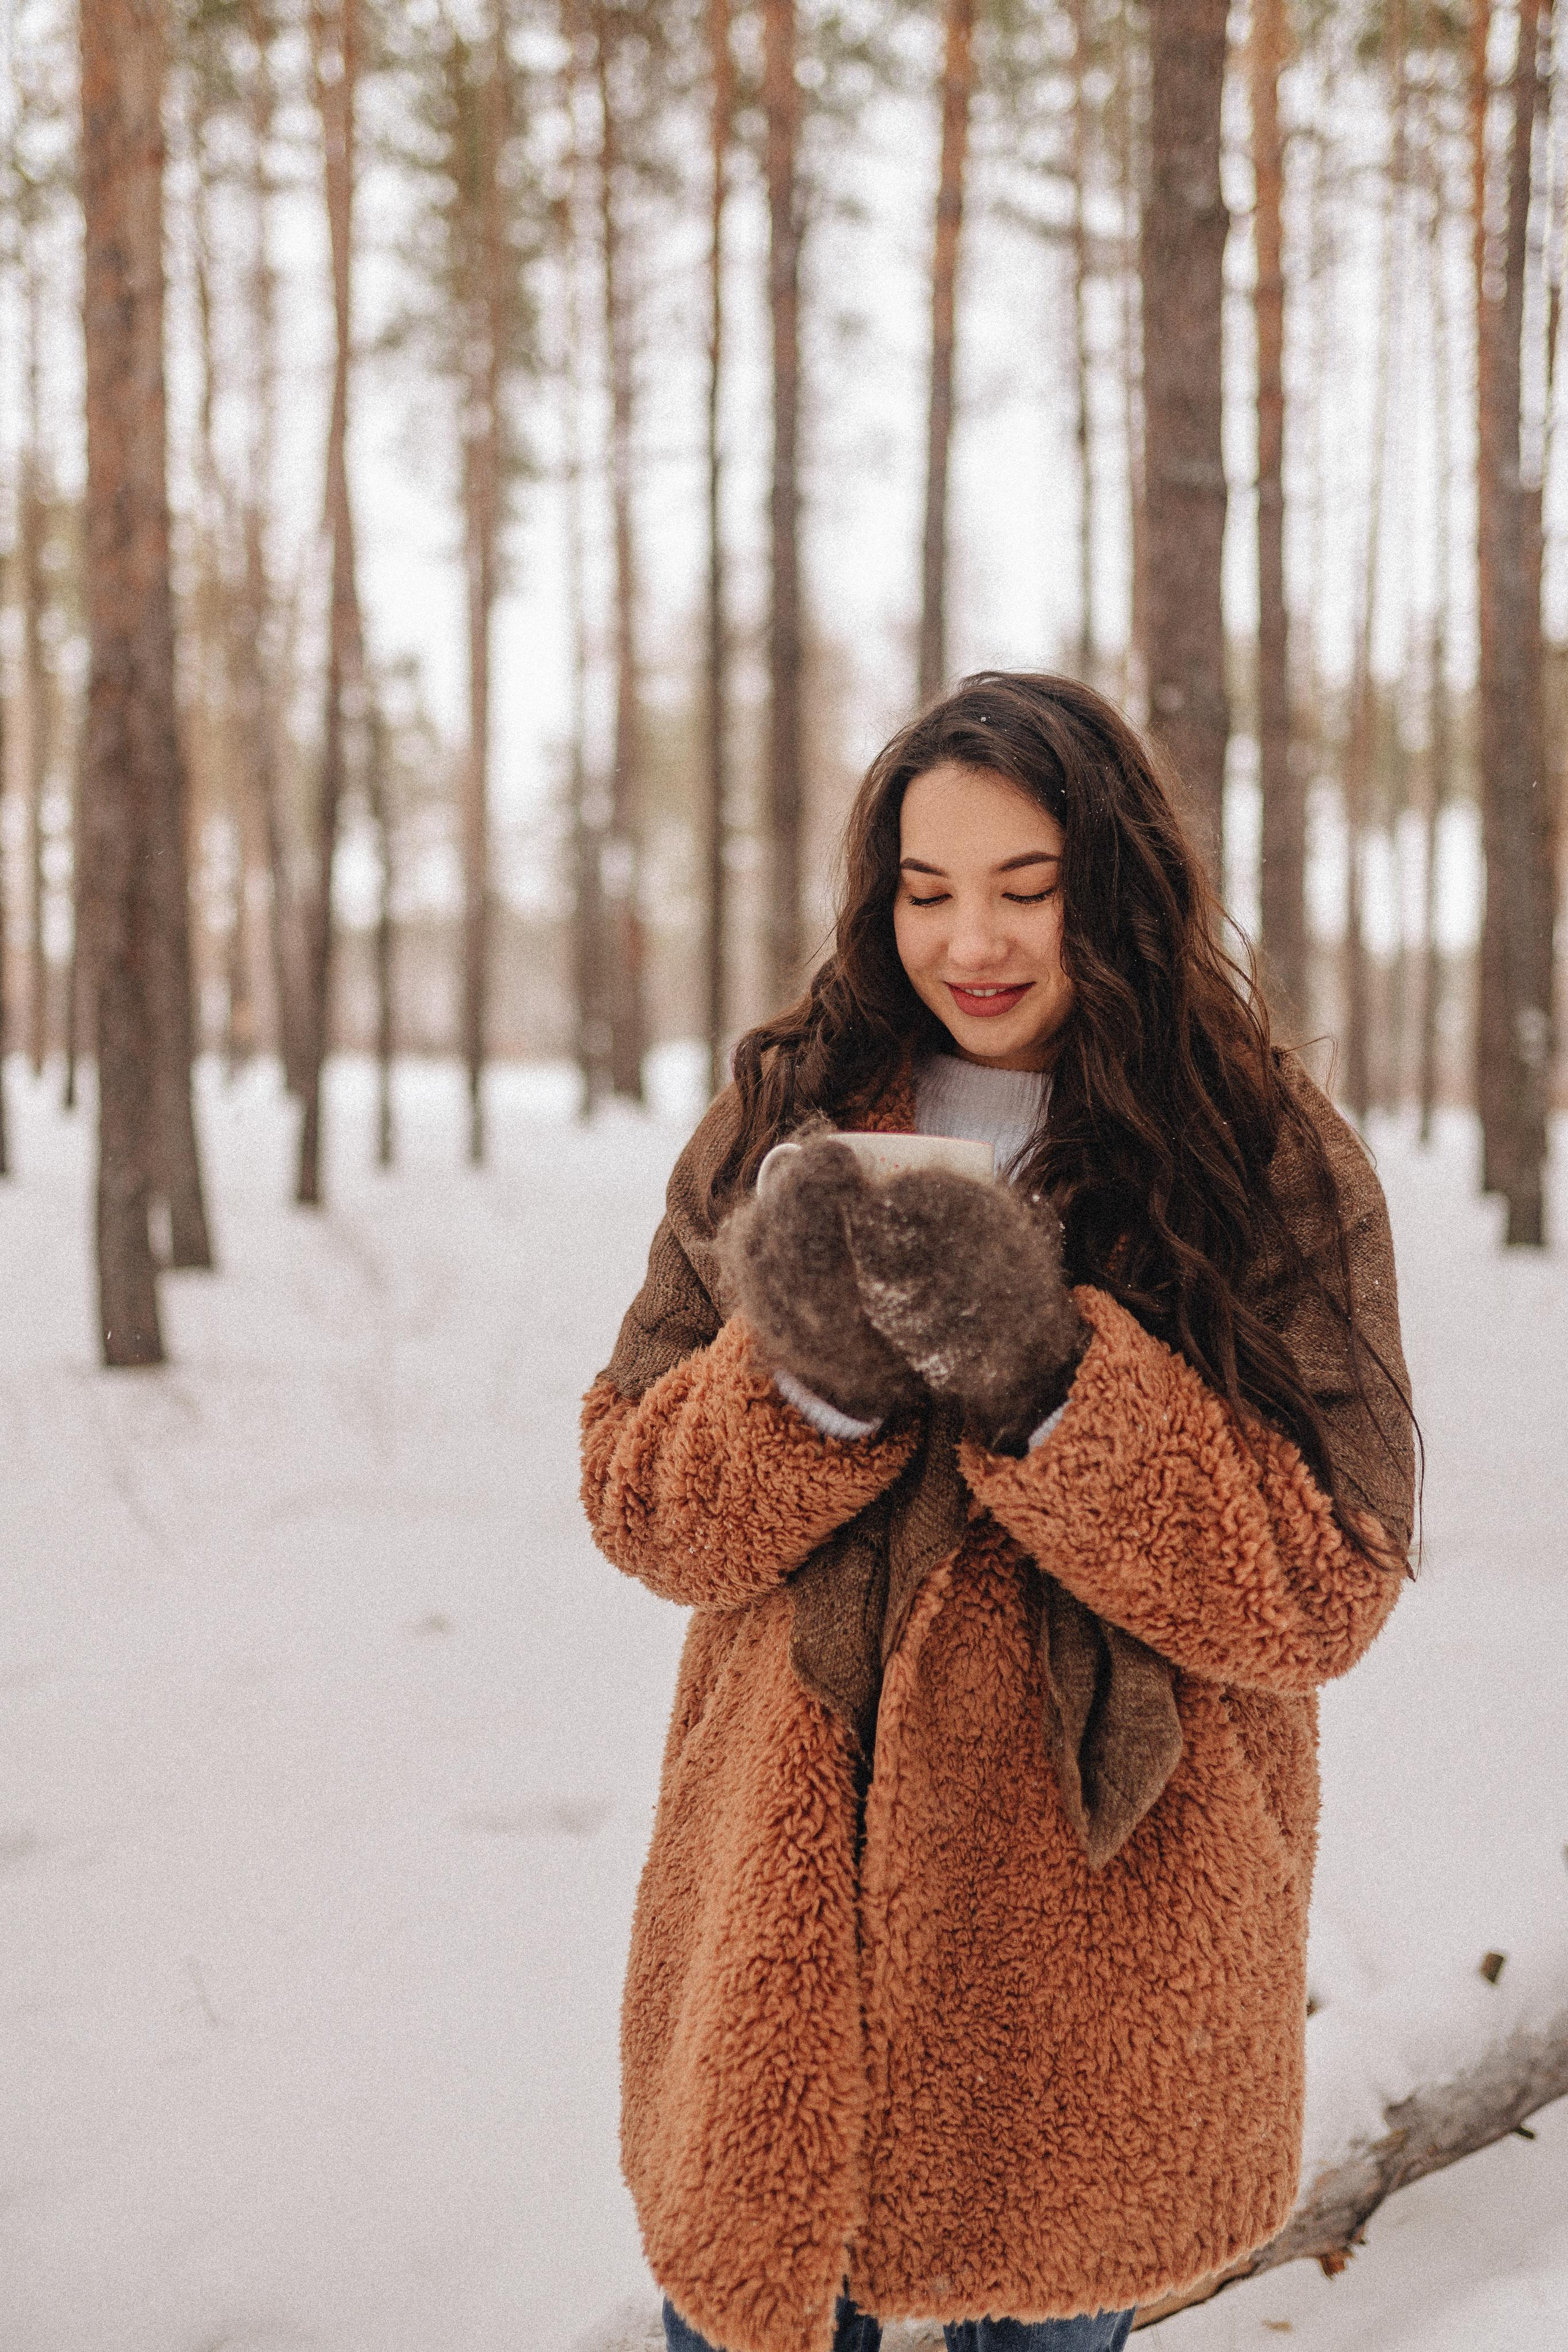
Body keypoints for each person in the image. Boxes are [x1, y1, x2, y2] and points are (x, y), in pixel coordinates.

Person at [579, 673, 1415, 2352]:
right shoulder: (787, 1112)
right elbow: (636, 1501)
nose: (971, 942)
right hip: (782, 1954)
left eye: (1027, 889)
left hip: (1094, 1981)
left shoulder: (1257, 1150)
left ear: (1117, 889)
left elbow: (1327, 1583)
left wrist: (1047, 1381)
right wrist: (804, 1384)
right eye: (927, 890)